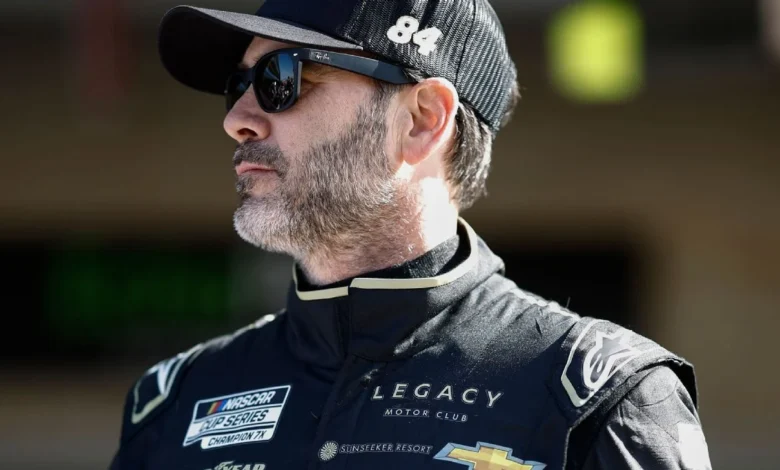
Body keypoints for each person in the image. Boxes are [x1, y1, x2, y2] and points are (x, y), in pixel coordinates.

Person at [110, 0, 713, 469]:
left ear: (422, 120)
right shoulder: (175, 401)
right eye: (237, 85)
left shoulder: (599, 397)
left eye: (281, 77)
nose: (238, 119)